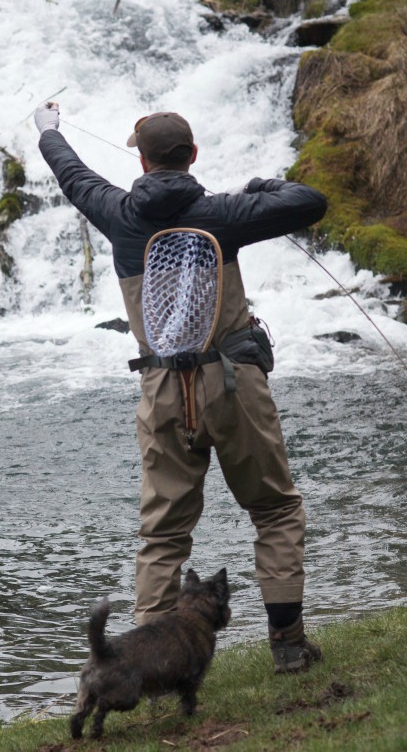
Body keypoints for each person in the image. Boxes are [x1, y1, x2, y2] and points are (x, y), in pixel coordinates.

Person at [34, 102, 327, 674]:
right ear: (192, 156)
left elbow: (72, 174)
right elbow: (309, 202)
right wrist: (262, 185)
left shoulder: (115, 212)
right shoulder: (224, 212)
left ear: (139, 162)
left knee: (163, 534)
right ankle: (288, 644)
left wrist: (49, 130)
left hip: (162, 387)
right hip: (233, 383)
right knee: (274, 509)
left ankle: (145, 667)